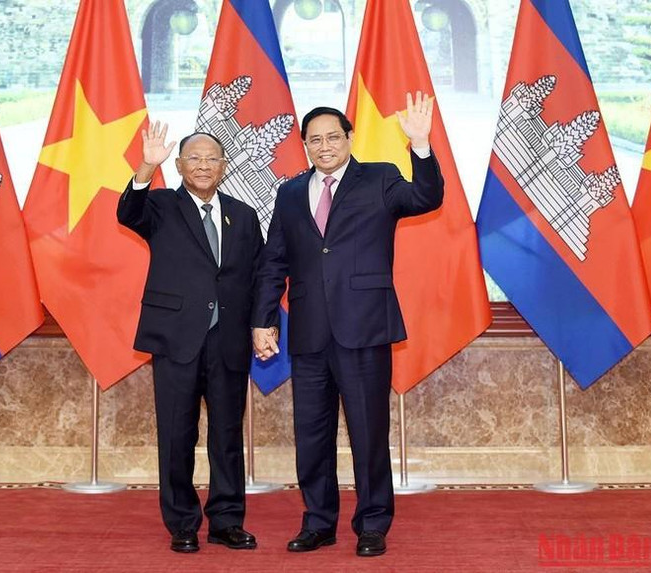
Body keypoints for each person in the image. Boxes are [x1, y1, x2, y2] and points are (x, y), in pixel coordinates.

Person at [252, 93, 444, 557]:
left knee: (367, 432)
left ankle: (373, 524)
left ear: (349, 138)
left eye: (332, 137)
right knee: (311, 435)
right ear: (304, 146)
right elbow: (274, 258)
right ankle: (318, 522)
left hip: (364, 327)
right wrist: (262, 321)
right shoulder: (291, 191)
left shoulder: (379, 177)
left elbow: (426, 197)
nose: (323, 146)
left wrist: (420, 144)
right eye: (314, 140)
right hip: (310, 331)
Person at [117, 123, 262, 554]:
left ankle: (226, 521)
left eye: (211, 158)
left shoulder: (244, 214)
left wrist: (262, 324)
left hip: (229, 342)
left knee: (226, 436)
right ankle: (182, 523)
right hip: (176, 339)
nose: (203, 165)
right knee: (178, 435)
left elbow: (256, 278)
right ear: (179, 166)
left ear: (224, 167)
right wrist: (147, 165)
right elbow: (128, 212)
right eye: (194, 159)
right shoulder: (160, 206)